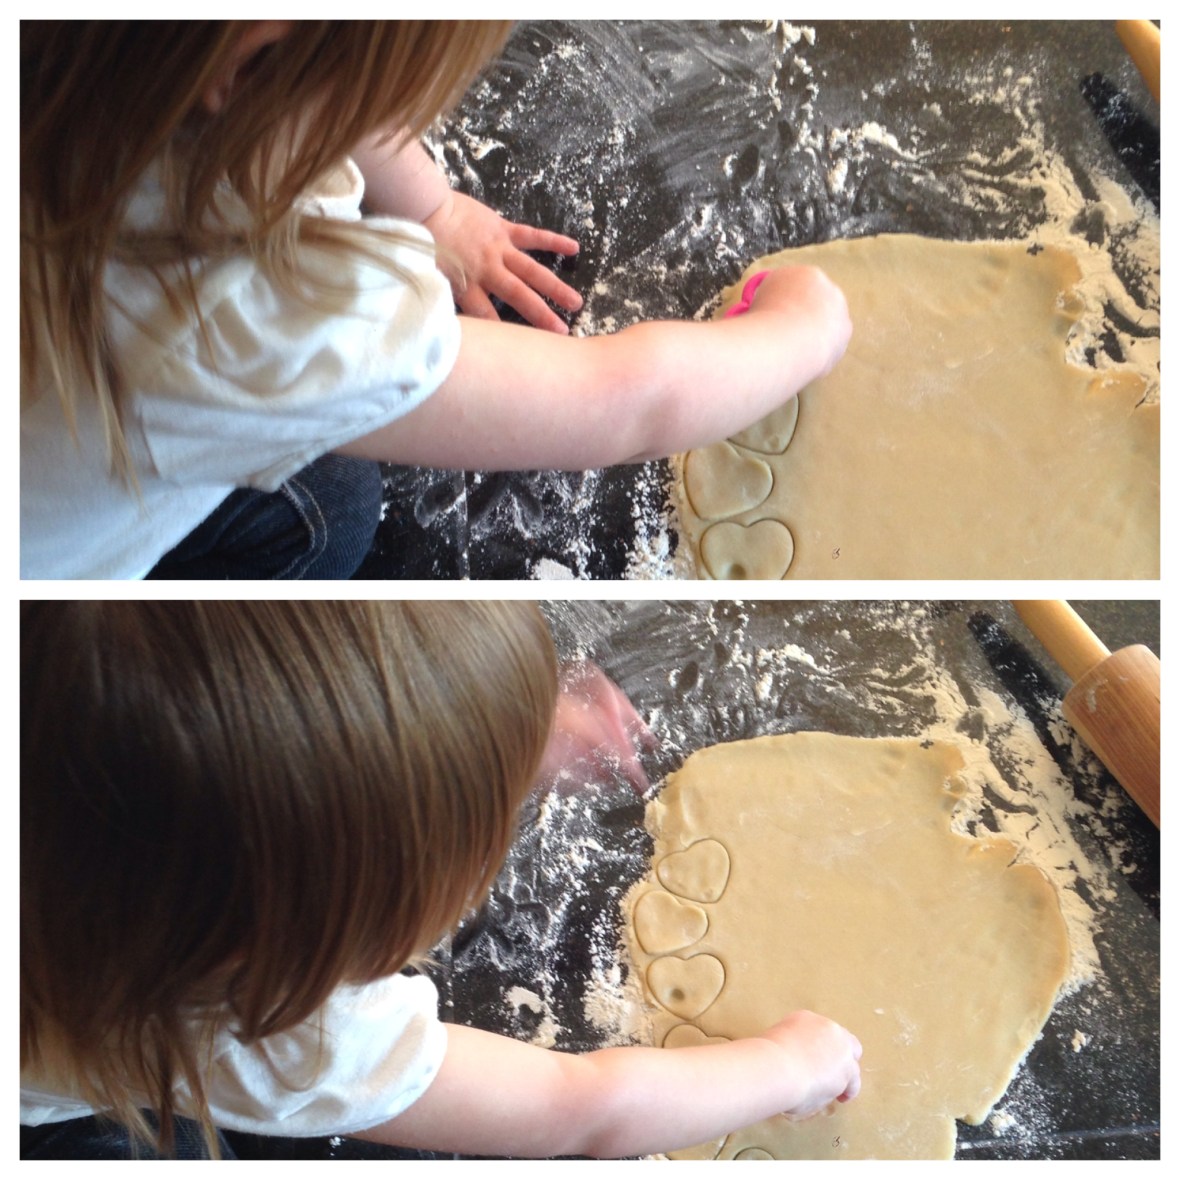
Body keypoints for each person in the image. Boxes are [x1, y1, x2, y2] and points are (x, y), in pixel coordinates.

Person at [21, 600, 863, 1159]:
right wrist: (788, 1067)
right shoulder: (273, 1038)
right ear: (320, 937)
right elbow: (584, 1106)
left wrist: (493, 723)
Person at [20, 21, 852, 579]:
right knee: (338, 517)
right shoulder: (249, 322)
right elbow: (627, 402)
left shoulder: (92, 74)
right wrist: (806, 333)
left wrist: (434, 208)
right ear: (246, 69)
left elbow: (312, 68)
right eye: (406, 91)